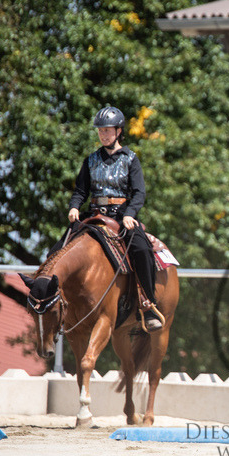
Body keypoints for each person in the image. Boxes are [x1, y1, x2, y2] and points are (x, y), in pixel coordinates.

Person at [65, 106, 163, 331]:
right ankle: (53, 298)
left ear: (119, 131)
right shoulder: (90, 160)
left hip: (121, 216)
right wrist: (74, 207)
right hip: (94, 215)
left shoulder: (130, 159)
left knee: (142, 249)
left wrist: (129, 214)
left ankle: (148, 304)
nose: (103, 135)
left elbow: (139, 193)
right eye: (100, 131)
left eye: (107, 130)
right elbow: (80, 191)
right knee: (59, 248)